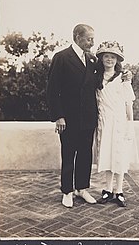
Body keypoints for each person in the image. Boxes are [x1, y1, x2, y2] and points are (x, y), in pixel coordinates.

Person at [47, 24, 98, 208]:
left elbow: (105, 77)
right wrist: (58, 116)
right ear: (77, 37)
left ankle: (82, 189)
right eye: (89, 38)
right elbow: (52, 91)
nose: (92, 42)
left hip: (88, 116)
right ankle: (67, 191)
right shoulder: (61, 58)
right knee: (68, 154)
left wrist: (124, 75)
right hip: (68, 118)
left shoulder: (92, 60)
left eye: (93, 38)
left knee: (85, 154)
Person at [94, 41, 139, 207]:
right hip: (104, 122)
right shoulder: (97, 77)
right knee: (107, 155)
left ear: (117, 60)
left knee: (119, 156)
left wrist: (129, 124)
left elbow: (128, 103)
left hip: (119, 122)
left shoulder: (123, 78)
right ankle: (107, 189)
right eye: (106, 56)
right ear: (102, 58)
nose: (109, 60)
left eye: (113, 57)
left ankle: (118, 191)